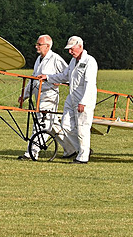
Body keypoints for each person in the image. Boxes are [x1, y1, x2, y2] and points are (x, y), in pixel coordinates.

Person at [37, 36, 98, 164]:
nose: (70, 52)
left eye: (72, 49)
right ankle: (82, 149)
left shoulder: (89, 62)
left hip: (83, 99)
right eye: (69, 49)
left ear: (80, 46)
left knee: (82, 128)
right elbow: (64, 76)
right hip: (72, 97)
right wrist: (47, 77)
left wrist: (84, 102)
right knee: (65, 124)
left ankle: (82, 157)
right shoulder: (72, 61)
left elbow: (90, 84)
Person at [18, 35, 68, 160]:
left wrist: (56, 80)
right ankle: (73, 149)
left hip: (49, 96)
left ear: (48, 46)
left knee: (42, 124)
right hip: (38, 96)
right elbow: (34, 78)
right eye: (37, 44)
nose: (36, 46)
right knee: (53, 125)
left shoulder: (55, 58)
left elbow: (67, 74)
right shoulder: (38, 59)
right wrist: (24, 95)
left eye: (39, 44)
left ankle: (31, 152)